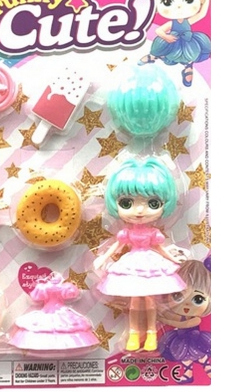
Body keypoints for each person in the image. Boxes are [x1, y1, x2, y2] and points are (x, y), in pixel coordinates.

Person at [94, 157, 187, 351]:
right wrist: (103, 258)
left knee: (150, 302)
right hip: (131, 265)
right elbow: (117, 246)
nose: (139, 210)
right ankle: (134, 334)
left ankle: (152, 334)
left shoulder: (153, 233)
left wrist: (173, 259)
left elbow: (160, 249)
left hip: (150, 264)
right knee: (135, 302)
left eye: (152, 203)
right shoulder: (127, 233)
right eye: (127, 203)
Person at [139, 0, 211, 87]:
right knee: (162, 50)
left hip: (188, 41)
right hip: (172, 40)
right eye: (167, 1)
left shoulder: (188, 20)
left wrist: (206, 0)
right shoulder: (172, 23)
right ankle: (153, 56)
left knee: (190, 54)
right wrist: (166, 37)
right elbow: (158, 30)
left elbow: (202, 14)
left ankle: (188, 67)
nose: (178, 6)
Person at [157, 259, 211, 383]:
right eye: (178, 296)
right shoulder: (179, 314)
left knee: (200, 356)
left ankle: (208, 370)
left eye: (198, 299)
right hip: (181, 339)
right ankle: (188, 374)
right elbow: (170, 316)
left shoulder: (194, 319)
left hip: (194, 340)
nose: (186, 304)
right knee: (185, 357)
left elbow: (179, 323)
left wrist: (162, 318)